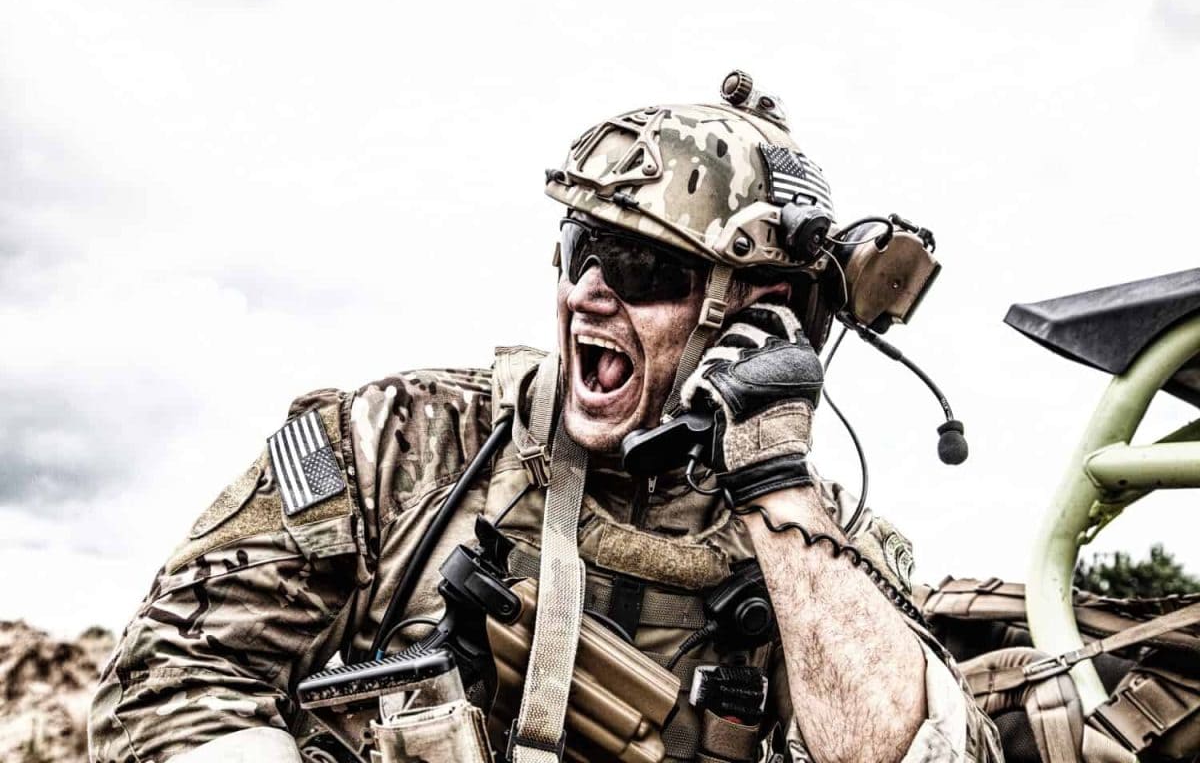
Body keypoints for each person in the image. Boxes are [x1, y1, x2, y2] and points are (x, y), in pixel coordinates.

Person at [88, 72, 1002, 763]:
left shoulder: (827, 553)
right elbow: (169, 679)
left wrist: (774, 486)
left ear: (758, 311)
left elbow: (922, 748)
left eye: (644, 269)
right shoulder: (396, 443)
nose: (590, 292)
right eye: (581, 248)